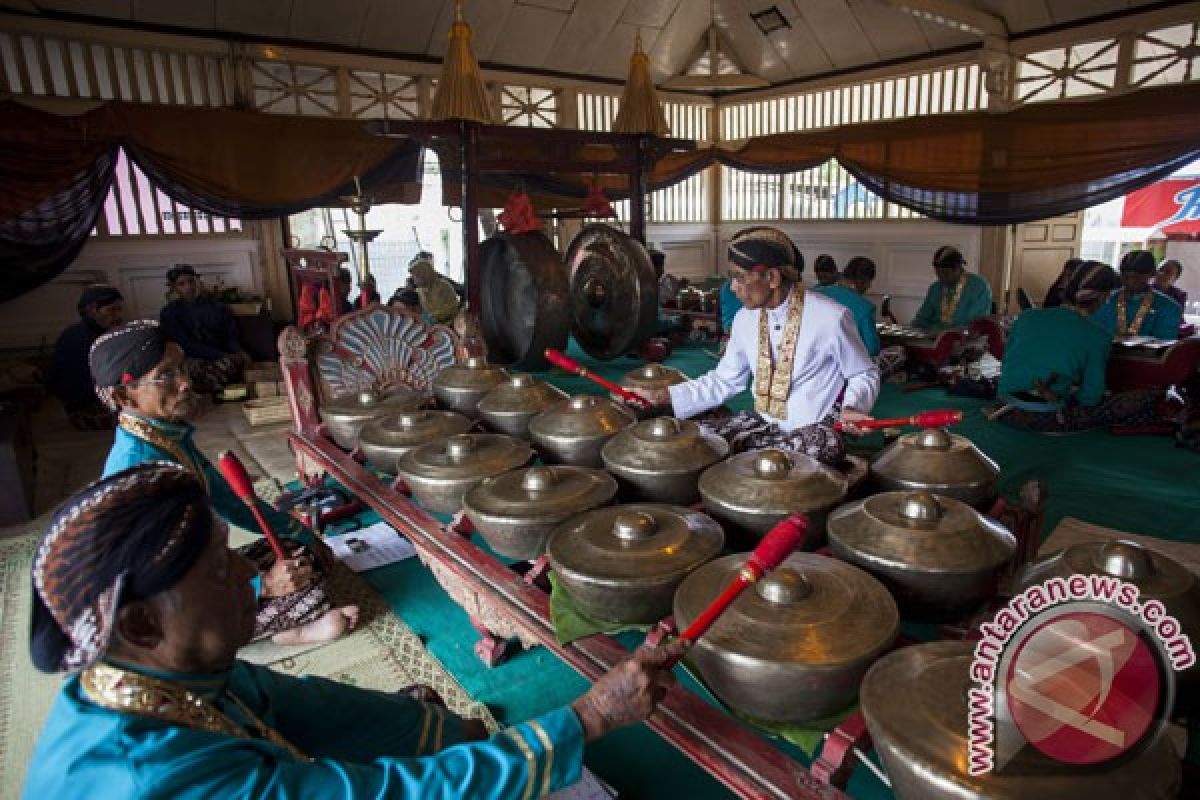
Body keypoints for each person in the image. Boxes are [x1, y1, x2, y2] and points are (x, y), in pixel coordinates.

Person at [25, 462, 685, 799]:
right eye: (216, 568)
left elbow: (305, 705)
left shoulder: (163, 676)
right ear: (140, 621)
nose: (248, 574)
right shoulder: (161, 781)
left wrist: (451, 732)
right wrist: (589, 717)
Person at [89, 320, 358, 646]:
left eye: (182, 369)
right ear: (123, 396)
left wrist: (302, 533)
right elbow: (160, 578)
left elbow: (232, 500)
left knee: (298, 554)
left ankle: (277, 616)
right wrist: (264, 586)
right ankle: (290, 629)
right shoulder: (136, 470)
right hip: (157, 605)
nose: (185, 382)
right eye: (167, 375)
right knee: (307, 594)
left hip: (194, 569)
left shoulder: (167, 435)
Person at [623, 226, 879, 466]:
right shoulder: (745, 318)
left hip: (813, 432)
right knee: (692, 439)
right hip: (763, 424)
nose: (732, 287)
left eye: (739, 278)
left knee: (822, 446)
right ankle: (751, 451)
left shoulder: (830, 317)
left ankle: (752, 453)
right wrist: (661, 396)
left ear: (772, 277)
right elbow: (723, 381)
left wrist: (853, 407)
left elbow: (863, 373)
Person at [996, 261, 1161, 432]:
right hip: (1046, 418)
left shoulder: (1026, 317)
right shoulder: (1098, 336)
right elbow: (1090, 397)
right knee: (1146, 398)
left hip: (1004, 408)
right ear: (1104, 297)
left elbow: (1008, 361)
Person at [158, 265, 249, 395]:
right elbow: (185, 344)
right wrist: (221, 355)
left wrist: (238, 351)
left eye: (191, 281)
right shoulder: (169, 313)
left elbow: (230, 334)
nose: (188, 287)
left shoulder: (217, 307)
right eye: (181, 284)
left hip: (222, 353)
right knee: (220, 367)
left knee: (240, 363)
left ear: (197, 281)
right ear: (174, 288)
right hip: (191, 357)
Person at [48, 284, 124, 430]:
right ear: (92, 310)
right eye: (111, 310)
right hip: (86, 406)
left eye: (119, 309)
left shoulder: (101, 333)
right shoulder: (79, 338)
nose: (117, 316)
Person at [1091, 250, 1182, 340]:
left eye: (1137, 278)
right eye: (1125, 277)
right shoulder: (1103, 300)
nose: (1130, 282)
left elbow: (1164, 343)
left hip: (1147, 354)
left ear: (1152, 274)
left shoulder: (1170, 307)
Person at [911, 246, 993, 331]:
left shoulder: (979, 286)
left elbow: (974, 325)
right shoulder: (935, 288)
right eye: (938, 273)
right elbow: (921, 319)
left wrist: (944, 334)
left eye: (945, 273)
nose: (941, 277)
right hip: (931, 339)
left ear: (958, 268)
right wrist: (910, 332)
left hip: (964, 341)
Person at [408, 252, 461, 325]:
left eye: (416, 276)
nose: (413, 280)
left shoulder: (444, 286)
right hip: (430, 327)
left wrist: (434, 316)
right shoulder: (418, 291)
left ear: (424, 275)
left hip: (449, 326)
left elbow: (453, 307)